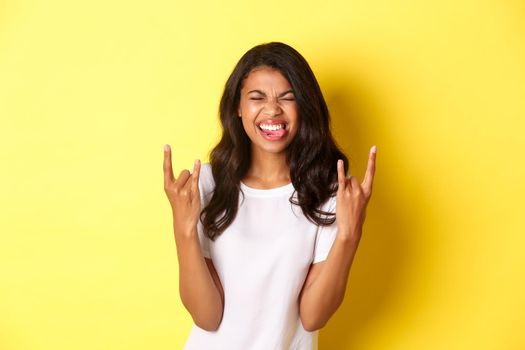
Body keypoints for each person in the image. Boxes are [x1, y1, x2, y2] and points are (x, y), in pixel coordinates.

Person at [163, 41, 377, 350]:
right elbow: (207, 317)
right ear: (238, 107)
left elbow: (312, 316)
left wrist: (350, 234)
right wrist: (183, 229)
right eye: (257, 97)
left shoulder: (329, 193)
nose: (272, 109)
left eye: (287, 98)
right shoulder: (208, 184)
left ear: (304, 106)